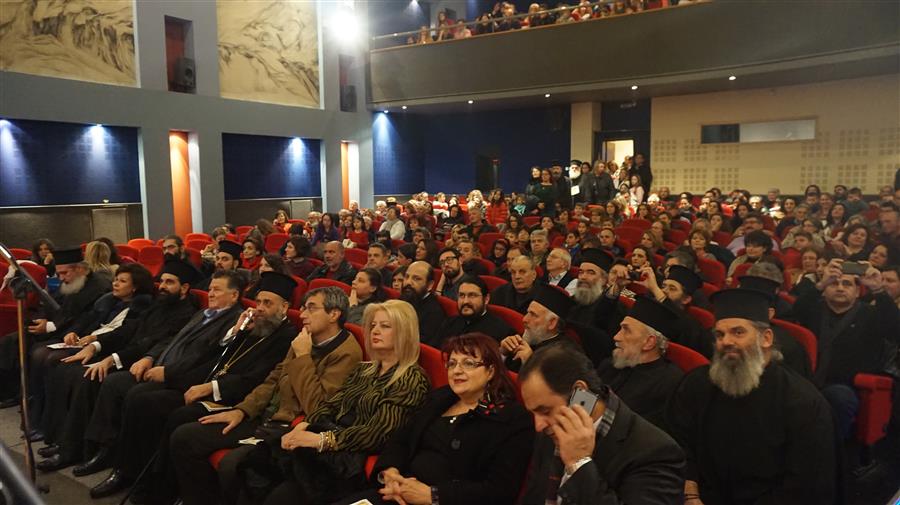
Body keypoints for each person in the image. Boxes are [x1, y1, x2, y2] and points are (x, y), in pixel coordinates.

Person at [90, 272, 297, 499]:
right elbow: (217, 358)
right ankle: (137, 475)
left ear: (284, 307)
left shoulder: (287, 337)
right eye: (258, 302)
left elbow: (256, 378)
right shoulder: (255, 327)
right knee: (143, 400)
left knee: (172, 414)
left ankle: (162, 487)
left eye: (268, 303)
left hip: (233, 397)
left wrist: (211, 387)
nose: (260, 308)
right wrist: (236, 333)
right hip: (209, 384)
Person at [166, 287, 363, 505]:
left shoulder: (345, 352)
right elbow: (272, 380)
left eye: (311, 309)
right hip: (264, 417)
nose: (303, 315)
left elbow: (317, 407)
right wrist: (242, 410)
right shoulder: (306, 339)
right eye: (304, 308)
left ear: (334, 314)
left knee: (234, 465)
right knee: (185, 437)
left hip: (290, 427)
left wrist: (303, 357)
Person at [236, 300, 429, 505]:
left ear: (404, 333)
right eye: (373, 325)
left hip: (347, 457)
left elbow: (377, 433)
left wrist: (321, 440)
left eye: (385, 326)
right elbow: (332, 404)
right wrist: (304, 425)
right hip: (325, 441)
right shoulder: (364, 369)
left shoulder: (412, 379)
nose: (375, 331)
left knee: (279, 495)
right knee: (248, 467)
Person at [666, 289, 836, 505]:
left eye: (738, 332)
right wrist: (690, 492)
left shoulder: (802, 401)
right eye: (719, 335)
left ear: (766, 338)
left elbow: (804, 483)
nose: (726, 341)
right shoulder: (695, 384)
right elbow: (678, 442)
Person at [79, 271, 243, 492]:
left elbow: (203, 356)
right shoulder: (203, 313)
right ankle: (106, 452)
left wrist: (168, 372)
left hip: (184, 379)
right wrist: (151, 358)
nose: (211, 293)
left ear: (234, 295)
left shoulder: (233, 322)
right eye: (210, 288)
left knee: (140, 399)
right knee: (115, 383)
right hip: (162, 366)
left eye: (217, 290)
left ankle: (129, 471)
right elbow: (172, 341)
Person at [34, 260, 201, 473]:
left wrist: (112, 358)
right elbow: (128, 330)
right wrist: (96, 345)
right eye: (162, 281)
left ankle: (88, 450)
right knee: (69, 369)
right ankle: (67, 441)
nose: (163, 286)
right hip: (128, 354)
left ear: (184, 288)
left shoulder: (185, 314)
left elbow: (150, 344)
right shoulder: (159, 304)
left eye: (170, 282)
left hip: (141, 361)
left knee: (89, 377)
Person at [340, 333, 534, 505]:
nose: (457, 370)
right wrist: (390, 473)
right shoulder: (441, 398)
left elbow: (499, 491)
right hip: (399, 492)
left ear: (490, 371)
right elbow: (402, 439)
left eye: (468, 363)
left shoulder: (511, 419)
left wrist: (432, 496)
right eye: (452, 363)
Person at [519, 344, 685, 505]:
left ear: (579, 393)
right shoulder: (551, 432)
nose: (538, 425)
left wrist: (579, 463)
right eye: (533, 413)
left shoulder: (656, 453)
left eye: (545, 411)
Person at [28, 263, 154, 442]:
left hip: (109, 348)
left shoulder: (141, 306)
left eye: (122, 281)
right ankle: (44, 423)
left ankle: (60, 433)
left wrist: (94, 341)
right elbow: (89, 321)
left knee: (58, 363)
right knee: (45, 356)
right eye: (116, 279)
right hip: (90, 342)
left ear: (135, 287)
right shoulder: (110, 300)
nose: (115, 283)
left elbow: (124, 334)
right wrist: (75, 333)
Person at [791, 258, 898, 438]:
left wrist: (878, 290)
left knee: (839, 397)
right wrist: (821, 283)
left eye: (847, 284)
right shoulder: (814, 309)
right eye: (834, 284)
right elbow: (795, 310)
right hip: (807, 380)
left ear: (857, 292)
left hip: (845, 385)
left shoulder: (870, 314)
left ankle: (831, 449)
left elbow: (895, 330)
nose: (840, 288)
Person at [0, 248, 111, 408]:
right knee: (9, 341)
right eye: (59, 274)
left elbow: (87, 319)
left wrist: (51, 326)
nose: (61, 278)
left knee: (39, 352)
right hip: (57, 329)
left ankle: (37, 398)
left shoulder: (99, 287)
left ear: (80, 269)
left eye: (65, 273)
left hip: (76, 334)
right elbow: (50, 305)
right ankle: (13, 392)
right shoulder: (70, 281)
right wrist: (42, 320)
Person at [596, 297, 684, 428]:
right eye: (620, 329)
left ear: (649, 342)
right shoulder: (610, 364)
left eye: (626, 330)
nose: (616, 336)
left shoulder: (669, 384)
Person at [499, 286, 576, 372]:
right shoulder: (531, 336)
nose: (524, 319)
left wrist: (531, 363)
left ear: (552, 323)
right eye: (527, 312)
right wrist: (503, 353)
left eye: (533, 315)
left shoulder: (565, 356)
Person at [434, 275, 515, 348]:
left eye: (472, 295)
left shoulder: (501, 330)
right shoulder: (449, 323)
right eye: (461, 295)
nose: (465, 301)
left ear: (486, 299)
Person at [400, 261, 446, 346]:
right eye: (406, 277)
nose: (408, 282)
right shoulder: (404, 298)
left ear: (430, 285)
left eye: (416, 279)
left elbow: (418, 345)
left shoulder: (434, 313)